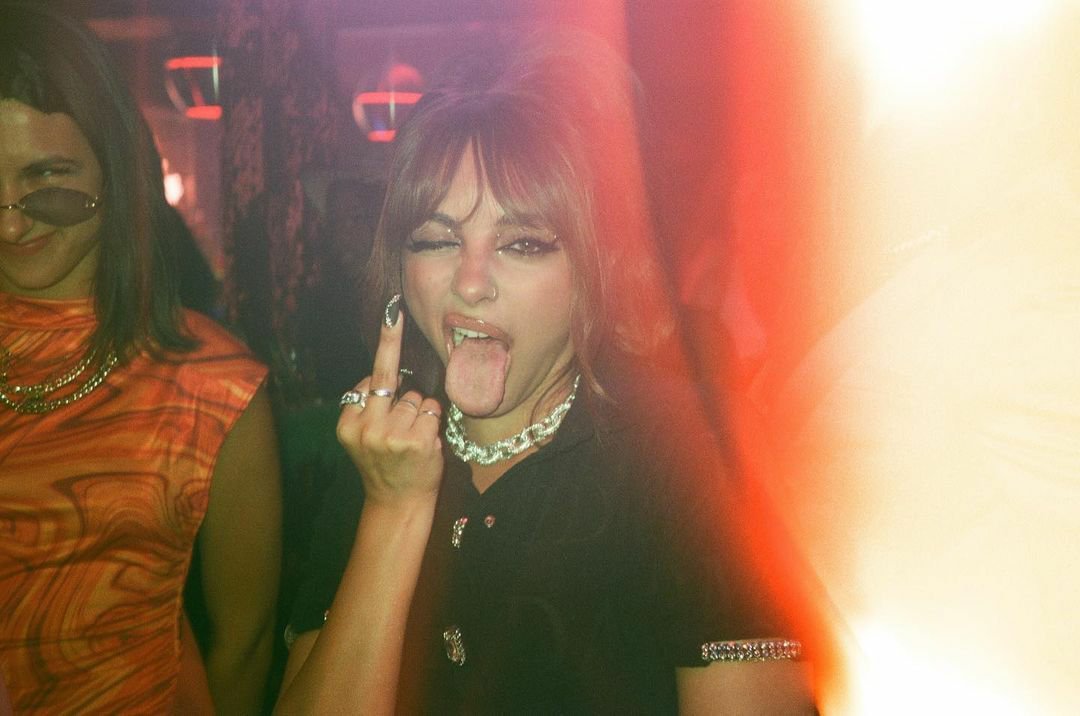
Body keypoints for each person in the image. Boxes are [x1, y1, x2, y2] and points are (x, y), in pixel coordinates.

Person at [275, 33, 815, 714]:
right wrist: (392, 510)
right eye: (438, 240)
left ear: (595, 268)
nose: (471, 283)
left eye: (523, 244)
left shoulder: (691, 452)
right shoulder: (376, 457)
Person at [0, 3, 281, 713]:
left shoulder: (212, 382)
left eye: (46, 179)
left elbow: (245, 645)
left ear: (115, 173)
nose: (10, 221)